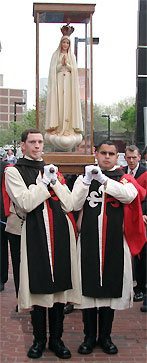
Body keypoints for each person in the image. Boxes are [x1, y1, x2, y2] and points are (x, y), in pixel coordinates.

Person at [5, 128, 81, 360]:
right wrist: (43, 183)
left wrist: (54, 182)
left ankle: (56, 339)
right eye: (33, 142)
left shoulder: (52, 170)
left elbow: (69, 203)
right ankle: (39, 340)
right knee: (38, 286)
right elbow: (26, 202)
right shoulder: (13, 171)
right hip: (35, 232)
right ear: (23, 145)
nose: (38, 146)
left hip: (59, 231)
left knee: (59, 286)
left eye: (40, 142)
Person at [71, 140, 146, 355]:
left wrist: (104, 180)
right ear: (96, 154)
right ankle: (88, 337)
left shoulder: (124, 178)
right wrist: (88, 181)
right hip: (88, 242)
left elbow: (130, 195)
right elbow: (74, 204)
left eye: (111, 153)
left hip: (114, 241)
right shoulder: (82, 179)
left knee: (109, 292)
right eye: (103, 152)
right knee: (88, 292)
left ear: (117, 156)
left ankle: (105, 337)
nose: (107, 157)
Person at [45, 25, 83, 150]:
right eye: (64, 42)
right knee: (60, 107)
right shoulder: (55, 55)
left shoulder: (72, 57)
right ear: (60, 43)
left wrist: (68, 65)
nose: (65, 45)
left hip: (69, 85)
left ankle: (68, 128)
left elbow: (75, 71)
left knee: (68, 106)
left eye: (67, 43)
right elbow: (52, 71)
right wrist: (60, 66)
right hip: (59, 83)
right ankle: (59, 128)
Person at [124, 145, 147, 306]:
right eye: (128, 158)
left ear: (139, 157)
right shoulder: (121, 172)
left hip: (143, 217)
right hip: (127, 217)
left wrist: (144, 214)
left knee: (142, 252)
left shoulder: (145, 173)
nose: (131, 161)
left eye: (134, 157)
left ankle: (141, 287)